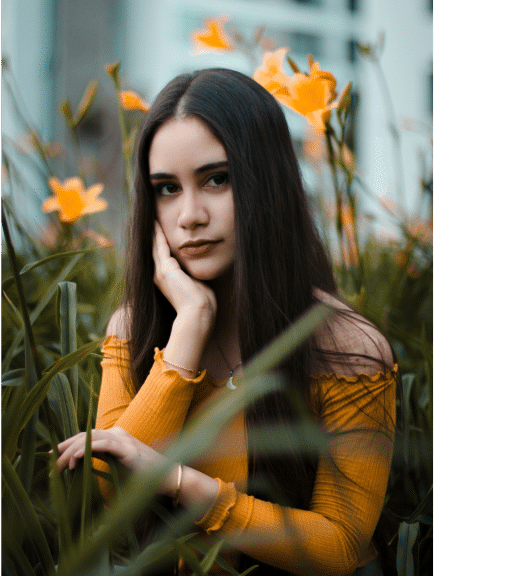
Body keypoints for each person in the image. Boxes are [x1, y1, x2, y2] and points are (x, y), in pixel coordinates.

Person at [55, 69, 396, 576]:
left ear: (267, 184)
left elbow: (341, 544)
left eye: (217, 179)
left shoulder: (346, 349)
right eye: (167, 189)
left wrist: (180, 482)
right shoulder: (135, 326)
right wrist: (189, 328)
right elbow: (111, 494)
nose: (189, 215)